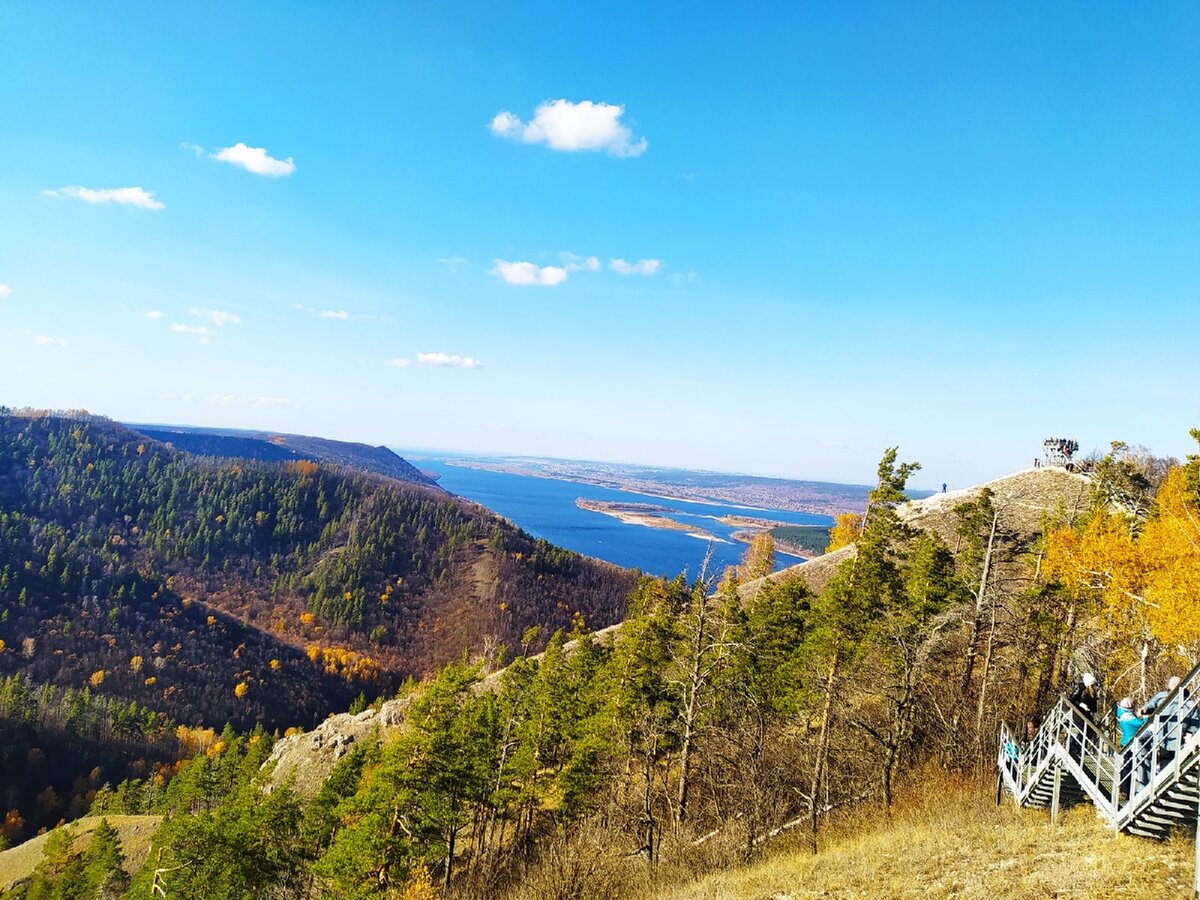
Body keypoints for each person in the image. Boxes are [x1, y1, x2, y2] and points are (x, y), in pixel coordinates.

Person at [1115, 696, 1147, 799]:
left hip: (1125, 742)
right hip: (1130, 744)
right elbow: (1140, 724)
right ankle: (1126, 790)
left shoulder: (1123, 715)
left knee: (1126, 767)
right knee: (1128, 767)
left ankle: (1124, 790)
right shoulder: (1128, 717)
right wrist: (1146, 717)